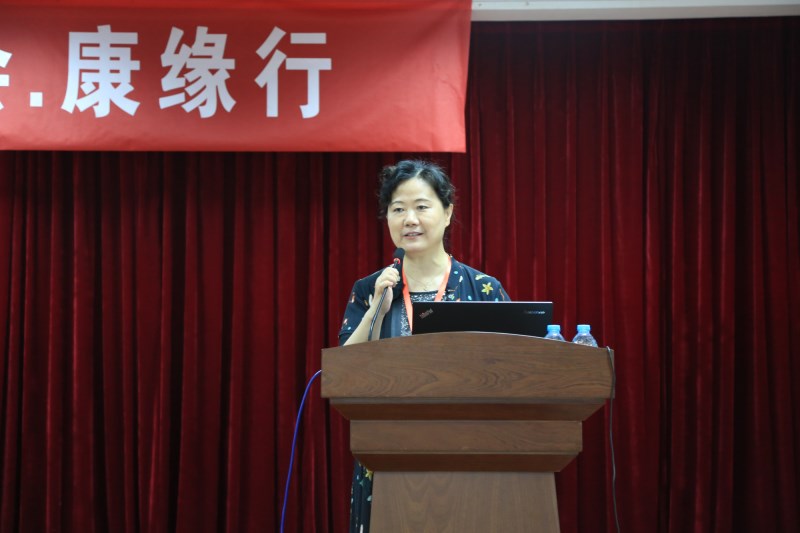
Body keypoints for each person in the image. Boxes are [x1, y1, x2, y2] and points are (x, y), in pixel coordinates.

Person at [337, 159, 509, 532]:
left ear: (447, 213)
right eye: (398, 209)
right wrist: (376, 309)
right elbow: (344, 373)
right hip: (385, 453)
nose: (409, 219)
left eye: (421, 207)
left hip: (467, 452)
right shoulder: (369, 289)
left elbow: (511, 374)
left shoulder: (483, 289)